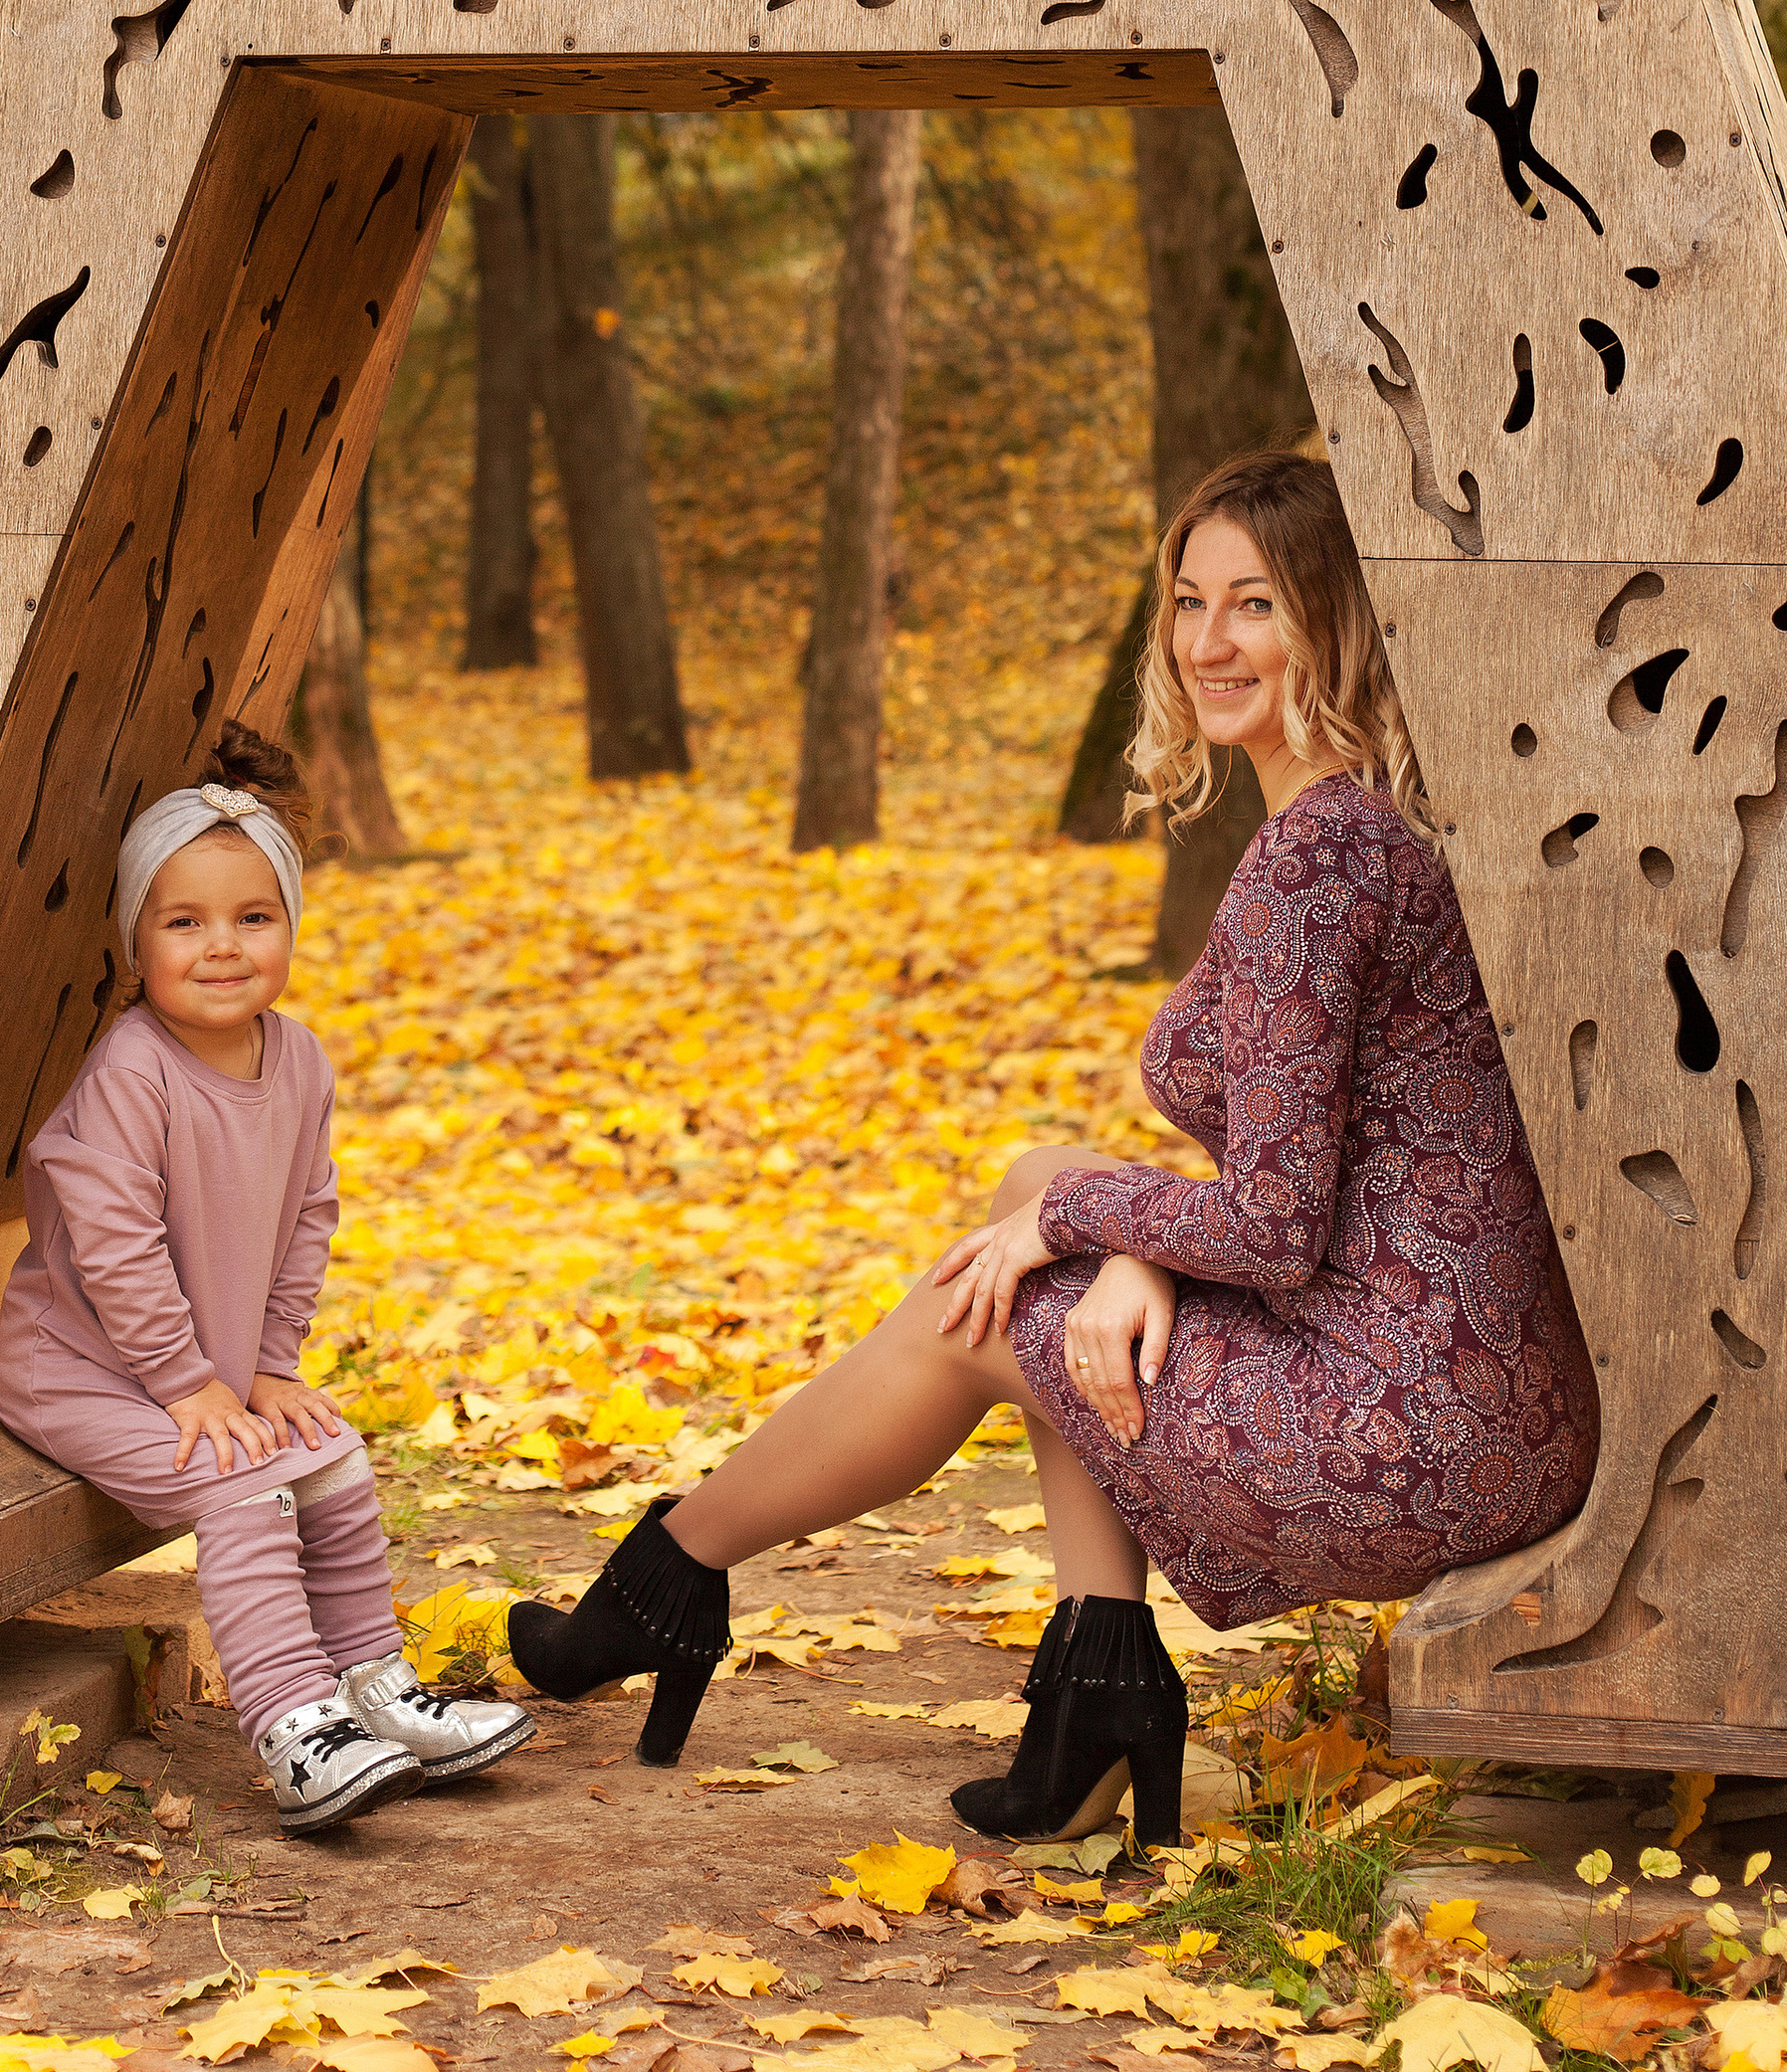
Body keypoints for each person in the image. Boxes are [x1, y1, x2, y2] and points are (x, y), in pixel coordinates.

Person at [509, 451, 1598, 1844]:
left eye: (1256, 605)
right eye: (1189, 601)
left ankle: (668, 1583)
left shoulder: (1317, 866)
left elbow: (1274, 1228)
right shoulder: (1364, 829)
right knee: (1037, 1190)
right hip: (1481, 1395)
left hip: (1411, 1430)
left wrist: (1098, 1227)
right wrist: (1112, 1232)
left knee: (999, 1291)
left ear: (1336, 621)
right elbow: (1317, 1180)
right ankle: (1092, 1692)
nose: (1210, 643)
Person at [0, 731, 535, 1834]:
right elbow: (114, 1245)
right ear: (135, 940)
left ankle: (374, 1691)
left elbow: (305, 1217)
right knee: (238, 1486)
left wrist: (270, 1368)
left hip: (189, 1374)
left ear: (290, 926)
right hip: (79, 1373)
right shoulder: (131, 1073)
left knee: (328, 1457)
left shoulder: (298, 1061)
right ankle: (294, 1726)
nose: (222, 947)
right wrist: (192, 1386)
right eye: (183, 922)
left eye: (253, 917)